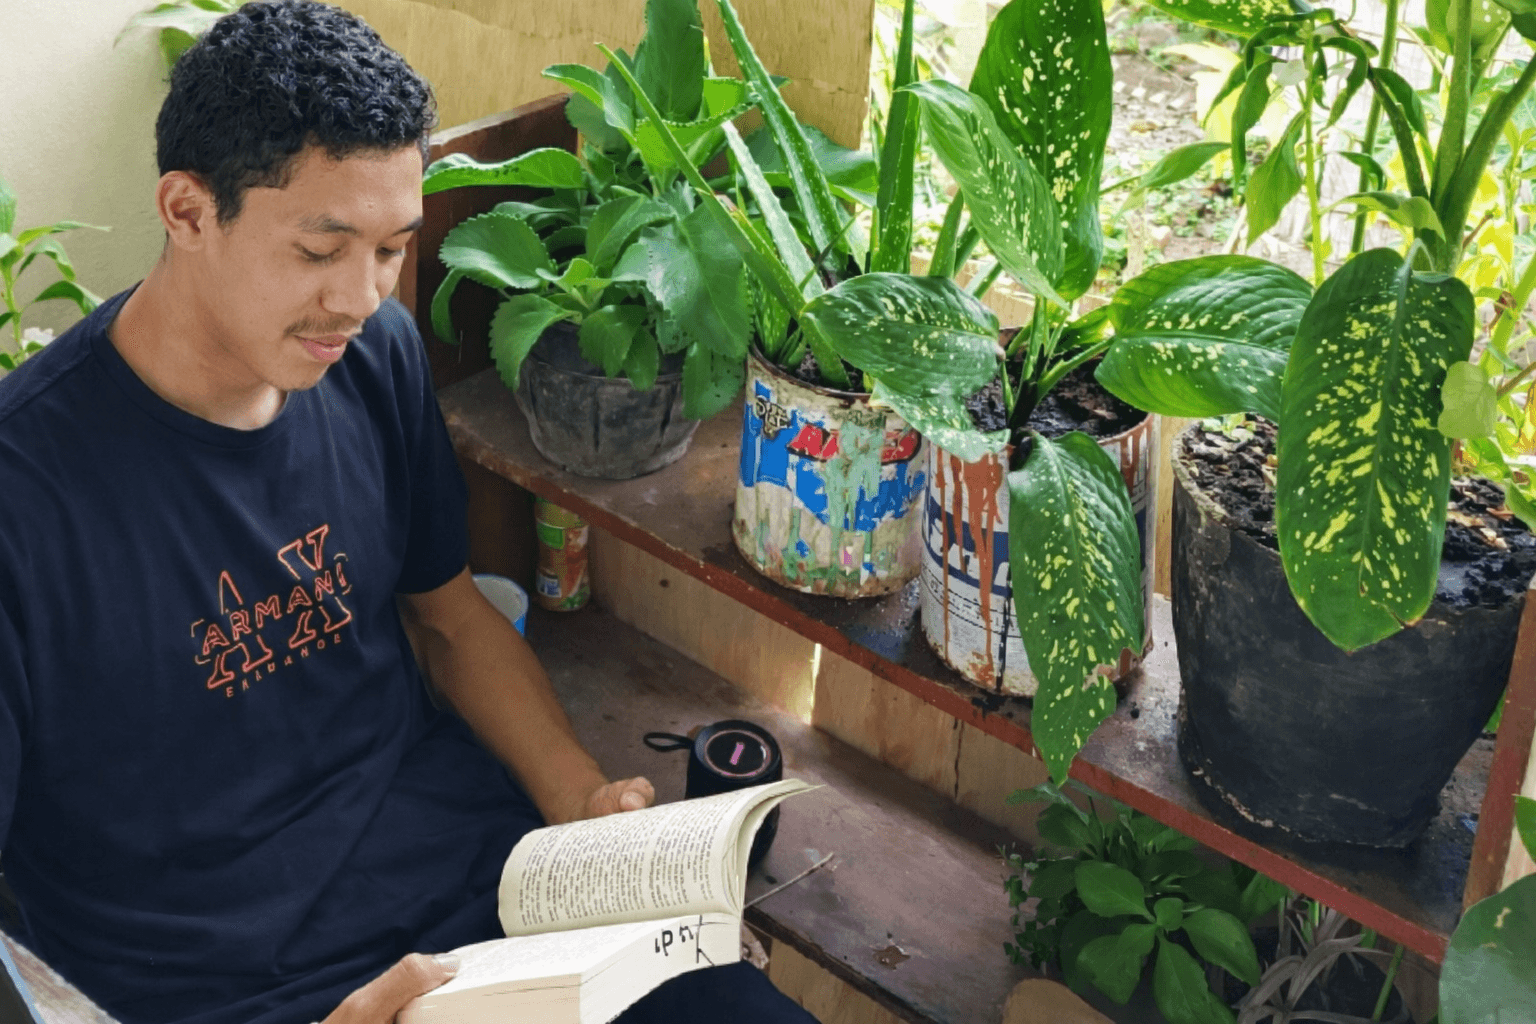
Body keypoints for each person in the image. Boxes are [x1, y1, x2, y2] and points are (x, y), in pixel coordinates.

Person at [0, 4, 819, 1024]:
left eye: (392, 248)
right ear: (188, 211)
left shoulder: (371, 356)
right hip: (241, 993)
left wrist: (581, 807)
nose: (361, 297)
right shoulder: (25, 494)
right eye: (321, 250)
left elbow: (450, 619)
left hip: (487, 911)